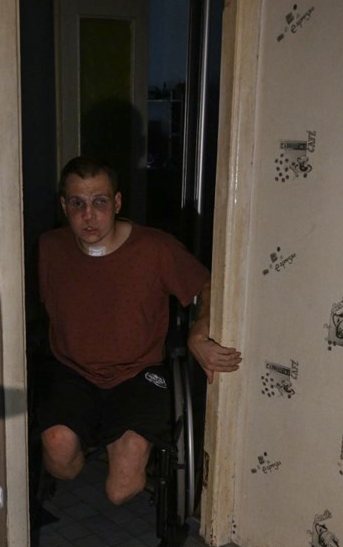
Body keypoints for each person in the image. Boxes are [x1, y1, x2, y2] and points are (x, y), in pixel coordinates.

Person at [34, 156, 241, 506]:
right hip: (73, 370)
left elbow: (208, 286)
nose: (89, 216)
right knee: (58, 457)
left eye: (99, 202)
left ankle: (121, 442)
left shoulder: (155, 248)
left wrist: (198, 332)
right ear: (64, 206)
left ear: (117, 203)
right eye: (78, 204)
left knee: (121, 490)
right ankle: (92, 437)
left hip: (138, 372)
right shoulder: (49, 248)